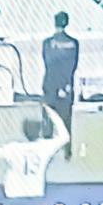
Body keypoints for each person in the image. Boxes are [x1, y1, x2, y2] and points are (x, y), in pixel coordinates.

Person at [40, 11, 80, 159]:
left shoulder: (47, 43)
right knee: (66, 119)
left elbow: (47, 62)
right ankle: (67, 151)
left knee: (48, 118)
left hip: (50, 83)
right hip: (66, 85)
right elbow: (73, 65)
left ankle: (46, 151)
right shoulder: (74, 43)